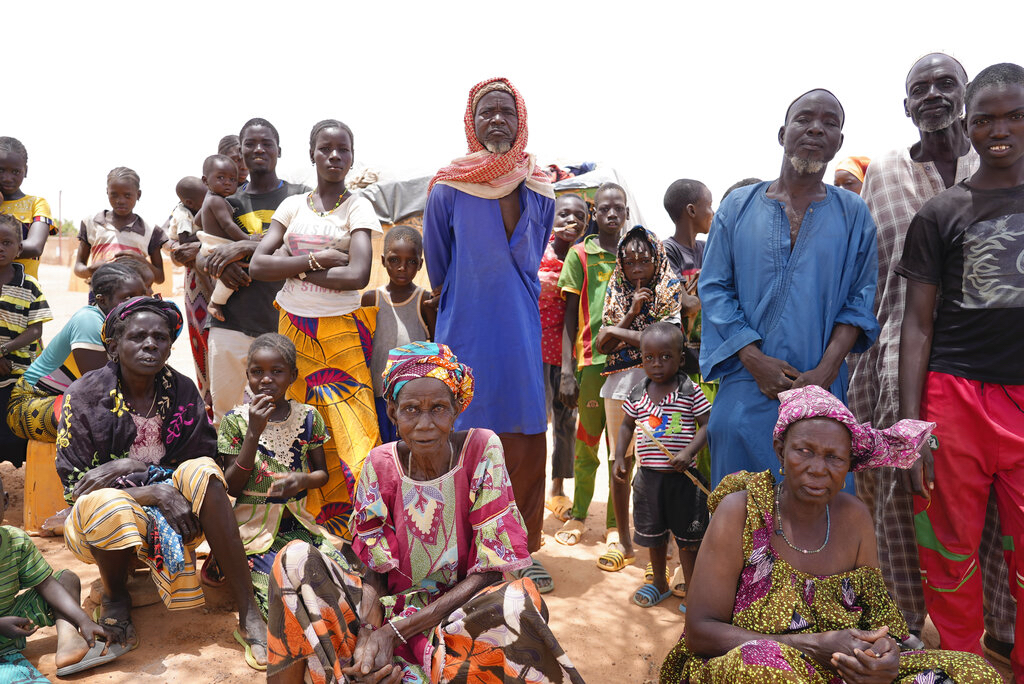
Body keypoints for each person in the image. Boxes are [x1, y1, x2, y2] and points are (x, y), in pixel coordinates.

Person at [265, 342, 584, 684]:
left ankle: (419, 667)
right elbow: (376, 571)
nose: (425, 423)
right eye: (411, 410)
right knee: (293, 559)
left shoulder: (481, 449)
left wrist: (395, 634)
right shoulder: (379, 463)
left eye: (439, 409)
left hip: (459, 614)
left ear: (457, 409)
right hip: (391, 610)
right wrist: (370, 633)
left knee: (518, 602)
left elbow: (491, 570)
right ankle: (363, 671)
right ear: (392, 413)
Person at [847, 53, 1015, 656]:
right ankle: (910, 624)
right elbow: (868, 274)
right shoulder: (885, 171)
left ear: (967, 96)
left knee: (999, 507)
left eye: (947, 84)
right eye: (921, 88)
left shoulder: (997, 159)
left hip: (1000, 367)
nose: (934, 95)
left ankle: (1003, 627)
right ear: (906, 105)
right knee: (904, 495)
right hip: (900, 360)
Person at [660, 385, 999, 683]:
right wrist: (810, 646)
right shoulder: (742, 511)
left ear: (849, 464)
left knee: (974, 673)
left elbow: (880, 620)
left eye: (834, 457)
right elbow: (700, 632)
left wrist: (884, 655)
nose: (818, 469)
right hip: (754, 668)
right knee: (762, 665)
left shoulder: (854, 517)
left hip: (841, 672)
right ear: (780, 451)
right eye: (804, 451)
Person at [55, 297, 268, 670]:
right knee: (108, 503)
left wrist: (139, 471)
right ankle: (116, 599)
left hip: (179, 516)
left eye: (160, 337)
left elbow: (202, 460)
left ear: (170, 346)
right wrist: (150, 488)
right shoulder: (84, 397)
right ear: (113, 347)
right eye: (138, 337)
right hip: (96, 525)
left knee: (204, 471)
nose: (150, 344)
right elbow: (77, 491)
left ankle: (248, 611)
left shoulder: (181, 391)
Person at [897, 62, 1024, 681]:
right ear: (968, 127)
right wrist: (911, 426)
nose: (1000, 130)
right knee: (948, 549)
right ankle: (961, 667)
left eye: (1015, 116)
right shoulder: (940, 212)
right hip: (954, 399)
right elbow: (917, 325)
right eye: (986, 120)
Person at [699, 89, 878, 487]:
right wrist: (754, 360)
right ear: (782, 134)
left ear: (839, 142)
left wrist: (825, 372)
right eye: (804, 119)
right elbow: (714, 289)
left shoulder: (854, 213)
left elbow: (859, 301)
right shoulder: (737, 206)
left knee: (818, 504)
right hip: (746, 386)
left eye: (830, 123)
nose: (816, 128)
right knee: (738, 507)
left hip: (821, 391)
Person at [422, 77, 556, 590]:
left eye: (506, 112)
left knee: (524, 433)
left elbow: (529, 257)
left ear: (521, 123)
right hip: (465, 325)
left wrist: (509, 183)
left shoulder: (539, 186)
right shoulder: (448, 187)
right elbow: (439, 264)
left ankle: (522, 549)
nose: (496, 119)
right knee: (462, 432)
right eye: (487, 112)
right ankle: (465, 547)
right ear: (471, 123)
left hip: (518, 327)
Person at [249, 118, 382, 539]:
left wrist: (293, 268)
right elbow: (258, 266)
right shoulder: (292, 206)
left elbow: (358, 274)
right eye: (325, 149)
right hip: (292, 329)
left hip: (341, 331)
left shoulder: (357, 206)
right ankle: (298, 527)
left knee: (355, 434)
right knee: (294, 429)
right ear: (312, 154)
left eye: (343, 149)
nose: (334, 156)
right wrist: (319, 260)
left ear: (352, 158)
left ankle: (364, 532)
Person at [219, 333, 344, 620]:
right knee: (282, 597)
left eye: (277, 371)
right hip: (254, 533)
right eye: (257, 372)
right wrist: (253, 432)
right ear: (247, 376)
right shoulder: (235, 421)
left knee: (338, 580)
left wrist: (304, 480)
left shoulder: (308, 417)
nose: (266, 379)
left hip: (300, 526)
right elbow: (233, 486)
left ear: (292, 376)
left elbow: (322, 473)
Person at [200, 118, 308, 425]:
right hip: (231, 322)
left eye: (266, 143)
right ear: (241, 152)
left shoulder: (301, 197)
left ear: (279, 150)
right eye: (250, 144)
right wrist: (217, 263)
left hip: (283, 322)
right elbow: (204, 250)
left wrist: (245, 247)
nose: (258, 149)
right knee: (226, 416)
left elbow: (302, 249)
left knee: (289, 416)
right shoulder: (224, 200)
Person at [593, 225, 684, 572]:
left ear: (656, 258)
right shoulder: (617, 289)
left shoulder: (668, 287)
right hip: (618, 388)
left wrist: (616, 332)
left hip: (660, 389)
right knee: (621, 462)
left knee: (660, 464)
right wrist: (631, 314)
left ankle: (663, 544)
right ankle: (625, 543)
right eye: (629, 263)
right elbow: (602, 345)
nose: (636, 269)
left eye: (643, 261)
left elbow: (666, 339)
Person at [612, 323, 710, 608]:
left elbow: (707, 425)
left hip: (683, 481)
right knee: (653, 535)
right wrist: (619, 456)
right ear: (642, 359)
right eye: (649, 357)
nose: (657, 364)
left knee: (688, 540)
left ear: (681, 358)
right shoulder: (638, 393)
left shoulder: (690, 391)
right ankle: (659, 582)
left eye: (666, 357)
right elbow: (626, 426)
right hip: (649, 479)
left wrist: (689, 452)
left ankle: (693, 593)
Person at [553, 183, 624, 552]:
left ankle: (615, 523)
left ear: (626, 213)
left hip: (628, 366)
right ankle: (579, 514)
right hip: (591, 364)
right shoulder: (580, 255)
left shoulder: (635, 254)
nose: (612, 214)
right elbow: (568, 317)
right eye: (605, 208)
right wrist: (567, 371)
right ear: (595, 214)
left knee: (622, 449)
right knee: (587, 443)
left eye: (619, 208)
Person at [7, 262, 145, 442]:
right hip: (30, 403)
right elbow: (103, 387)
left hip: (68, 399)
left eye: (142, 295)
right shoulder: (89, 321)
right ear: (102, 300)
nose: (137, 302)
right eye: (128, 297)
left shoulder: (121, 325)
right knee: (105, 419)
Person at [0, 474, 116, 680]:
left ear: (5, 501)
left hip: (13, 622)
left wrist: (84, 620)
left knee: (66, 579)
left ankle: (69, 643)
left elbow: (45, 584)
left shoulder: (16, 540)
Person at [361, 225, 435, 445]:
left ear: (420, 264)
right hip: (378, 394)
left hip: (413, 399)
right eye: (394, 260)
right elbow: (362, 346)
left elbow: (436, 346)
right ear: (383, 261)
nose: (402, 268)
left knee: (411, 448)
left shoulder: (424, 301)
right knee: (384, 449)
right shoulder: (371, 299)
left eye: (411, 261)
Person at [540, 194, 586, 519]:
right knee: (533, 424)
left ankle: (557, 489)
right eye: (564, 214)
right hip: (534, 353)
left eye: (579, 216)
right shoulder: (535, 253)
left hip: (569, 354)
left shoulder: (584, 259)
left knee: (566, 423)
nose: (571, 221)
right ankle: (527, 485)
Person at [0, 215, 52, 465]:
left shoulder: (30, 286)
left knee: (12, 431)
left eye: (7, 243)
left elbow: (35, 331)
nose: (0, 248)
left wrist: (3, 350)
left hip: (18, 371)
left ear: (19, 248)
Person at [165, 176, 215, 414]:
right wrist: (206, 242)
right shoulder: (183, 213)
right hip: (200, 288)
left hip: (225, 282)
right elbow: (175, 243)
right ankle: (211, 408)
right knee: (205, 345)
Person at [74, 167, 167, 293]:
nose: (120, 201)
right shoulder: (91, 223)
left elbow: (160, 278)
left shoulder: (150, 231)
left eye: (127, 195)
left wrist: (140, 261)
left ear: (138, 195)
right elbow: (78, 267)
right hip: (100, 296)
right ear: (107, 192)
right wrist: (90, 270)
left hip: (134, 299)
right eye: (114, 194)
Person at [195, 154, 245, 322]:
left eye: (232, 179)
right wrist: (248, 240)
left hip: (211, 242)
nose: (227, 183)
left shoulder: (210, 199)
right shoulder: (217, 201)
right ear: (205, 180)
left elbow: (197, 221)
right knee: (232, 278)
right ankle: (216, 303)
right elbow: (228, 226)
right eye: (221, 177)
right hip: (217, 245)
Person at [0, 137, 56, 279]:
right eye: (1, 170)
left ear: (25, 171)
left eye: (15, 171)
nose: (7, 178)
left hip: (23, 289)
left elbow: (35, 247)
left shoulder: (36, 204)